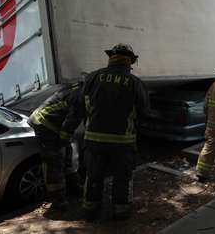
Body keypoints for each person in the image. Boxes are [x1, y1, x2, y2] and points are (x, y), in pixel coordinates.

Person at [61, 43, 150, 222]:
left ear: (111, 58)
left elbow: (77, 108)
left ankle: (91, 213)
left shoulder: (93, 77)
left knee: (93, 178)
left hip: (94, 142)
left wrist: (66, 132)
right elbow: (144, 112)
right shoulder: (134, 82)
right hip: (123, 144)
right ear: (129, 61)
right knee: (122, 179)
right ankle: (121, 213)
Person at [28, 82, 82, 210]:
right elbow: (71, 122)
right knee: (54, 160)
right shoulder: (80, 96)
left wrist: (65, 140)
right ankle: (58, 199)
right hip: (43, 123)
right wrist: (64, 139)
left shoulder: (80, 90)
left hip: (52, 123)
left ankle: (73, 188)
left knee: (67, 154)